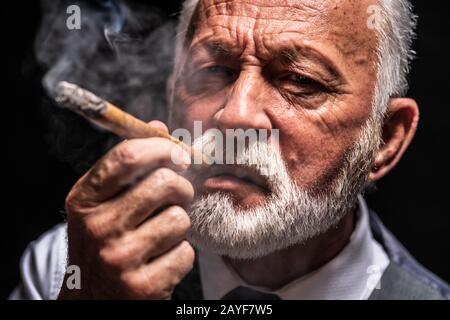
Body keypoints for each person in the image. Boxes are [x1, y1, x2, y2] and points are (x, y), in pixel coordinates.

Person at [11, 0, 450, 300]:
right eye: (215, 69)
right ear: (171, 95)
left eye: (299, 80)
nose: (235, 115)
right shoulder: (71, 265)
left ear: (384, 139)